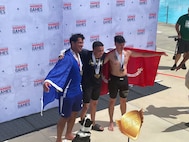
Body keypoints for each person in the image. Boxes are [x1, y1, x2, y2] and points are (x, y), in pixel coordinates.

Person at [103, 35, 167, 131]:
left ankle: (123, 119)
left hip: (124, 80)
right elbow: (100, 64)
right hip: (114, 80)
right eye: (120, 45)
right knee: (112, 101)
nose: (122, 46)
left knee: (123, 100)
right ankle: (111, 121)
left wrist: (158, 54)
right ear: (115, 44)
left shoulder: (127, 53)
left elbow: (143, 55)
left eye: (123, 44)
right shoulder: (111, 55)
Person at [43, 33, 85, 142]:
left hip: (78, 91)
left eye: (82, 42)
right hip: (68, 94)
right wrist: (48, 81)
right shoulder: (66, 58)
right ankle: (58, 139)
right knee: (65, 116)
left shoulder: (79, 53)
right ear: (73, 43)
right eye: (79, 43)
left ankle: (69, 133)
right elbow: (57, 70)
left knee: (75, 113)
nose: (82, 45)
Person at [80, 41, 105, 131]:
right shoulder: (86, 54)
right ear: (93, 50)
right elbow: (72, 50)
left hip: (97, 84)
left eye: (102, 50)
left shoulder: (104, 55)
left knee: (94, 104)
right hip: (87, 84)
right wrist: (62, 54)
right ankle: (82, 123)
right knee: (86, 105)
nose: (101, 53)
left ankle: (93, 123)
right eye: (99, 51)